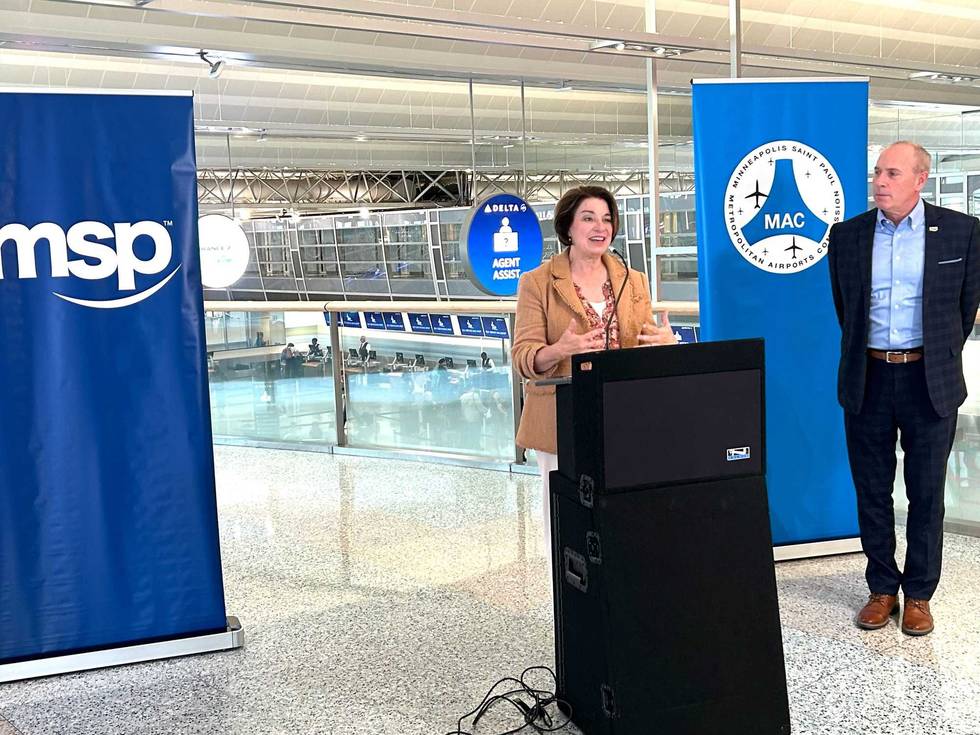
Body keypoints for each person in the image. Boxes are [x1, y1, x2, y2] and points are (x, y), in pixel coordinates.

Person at [828, 141, 979, 636]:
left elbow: (963, 309)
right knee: (871, 489)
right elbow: (846, 309)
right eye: (877, 173)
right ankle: (881, 588)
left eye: (892, 173)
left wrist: (930, 354)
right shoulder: (846, 236)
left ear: (921, 179)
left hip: (928, 379)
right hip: (867, 377)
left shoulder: (960, 231)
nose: (879, 182)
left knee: (926, 493)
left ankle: (918, 594)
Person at [511, 185, 678, 556]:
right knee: (567, 521)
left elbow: (641, 345)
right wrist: (559, 350)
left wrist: (664, 343)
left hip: (625, 417)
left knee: (622, 516)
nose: (599, 227)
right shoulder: (536, 283)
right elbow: (523, 356)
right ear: (568, 227)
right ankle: (570, 603)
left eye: (606, 219)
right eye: (588, 218)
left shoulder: (633, 281)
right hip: (562, 419)